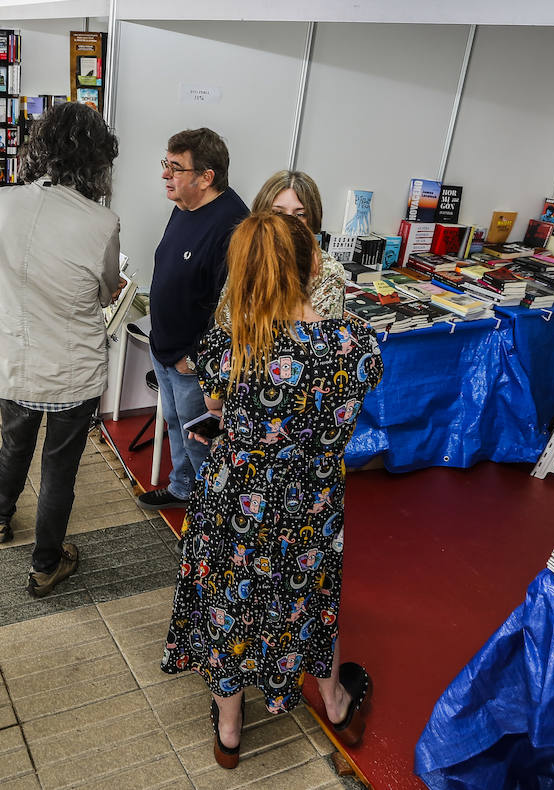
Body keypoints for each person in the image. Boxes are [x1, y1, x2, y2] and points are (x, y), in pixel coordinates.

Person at [160, 211, 383, 769]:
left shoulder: (228, 345)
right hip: (311, 503)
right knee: (308, 596)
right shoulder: (355, 344)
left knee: (228, 603)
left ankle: (230, 729)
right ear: (312, 265)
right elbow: (347, 408)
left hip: (235, 500)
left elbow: (216, 407)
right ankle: (333, 701)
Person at [0, 102, 122, 598]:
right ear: (97, 159)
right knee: (60, 466)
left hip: (15, 356)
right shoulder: (101, 223)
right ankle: (44, 564)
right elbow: (103, 292)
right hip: (71, 369)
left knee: (14, 442)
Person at [139, 128, 248, 511]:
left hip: (192, 360)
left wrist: (196, 358)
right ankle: (183, 488)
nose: (166, 174)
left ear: (206, 177)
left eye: (176, 167)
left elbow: (230, 309)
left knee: (201, 440)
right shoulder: (184, 206)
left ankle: (209, 516)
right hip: (166, 348)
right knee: (174, 425)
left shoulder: (233, 225)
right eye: (166, 164)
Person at [245, 170, 347, 318]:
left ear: (312, 218)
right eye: (278, 213)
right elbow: (227, 322)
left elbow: (314, 334)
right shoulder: (247, 256)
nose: (288, 222)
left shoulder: (329, 271)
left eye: (300, 215)